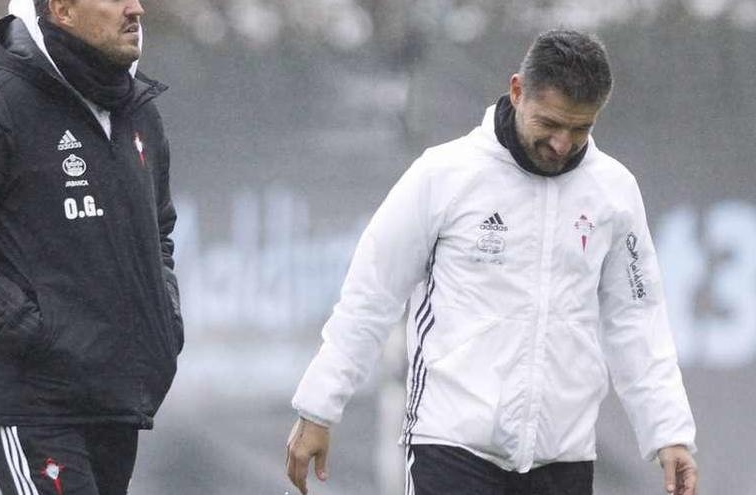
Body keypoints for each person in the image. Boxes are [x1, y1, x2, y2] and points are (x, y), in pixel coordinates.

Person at [286, 30, 697, 495]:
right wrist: (319, 408)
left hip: (564, 458)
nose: (562, 144)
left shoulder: (614, 192)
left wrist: (669, 433)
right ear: (517, 91)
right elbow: (371, 295)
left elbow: (637, 321)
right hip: (451, 447)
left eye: (580, 129)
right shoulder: (443, 175)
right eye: (549, 123)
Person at [0, 0, 183, 493]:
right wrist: (39, 335)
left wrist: (165, 323)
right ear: (62, 10)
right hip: (37, 402)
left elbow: (159, 233)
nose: (136, 9)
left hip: (115, 399)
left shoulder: (141, 115)